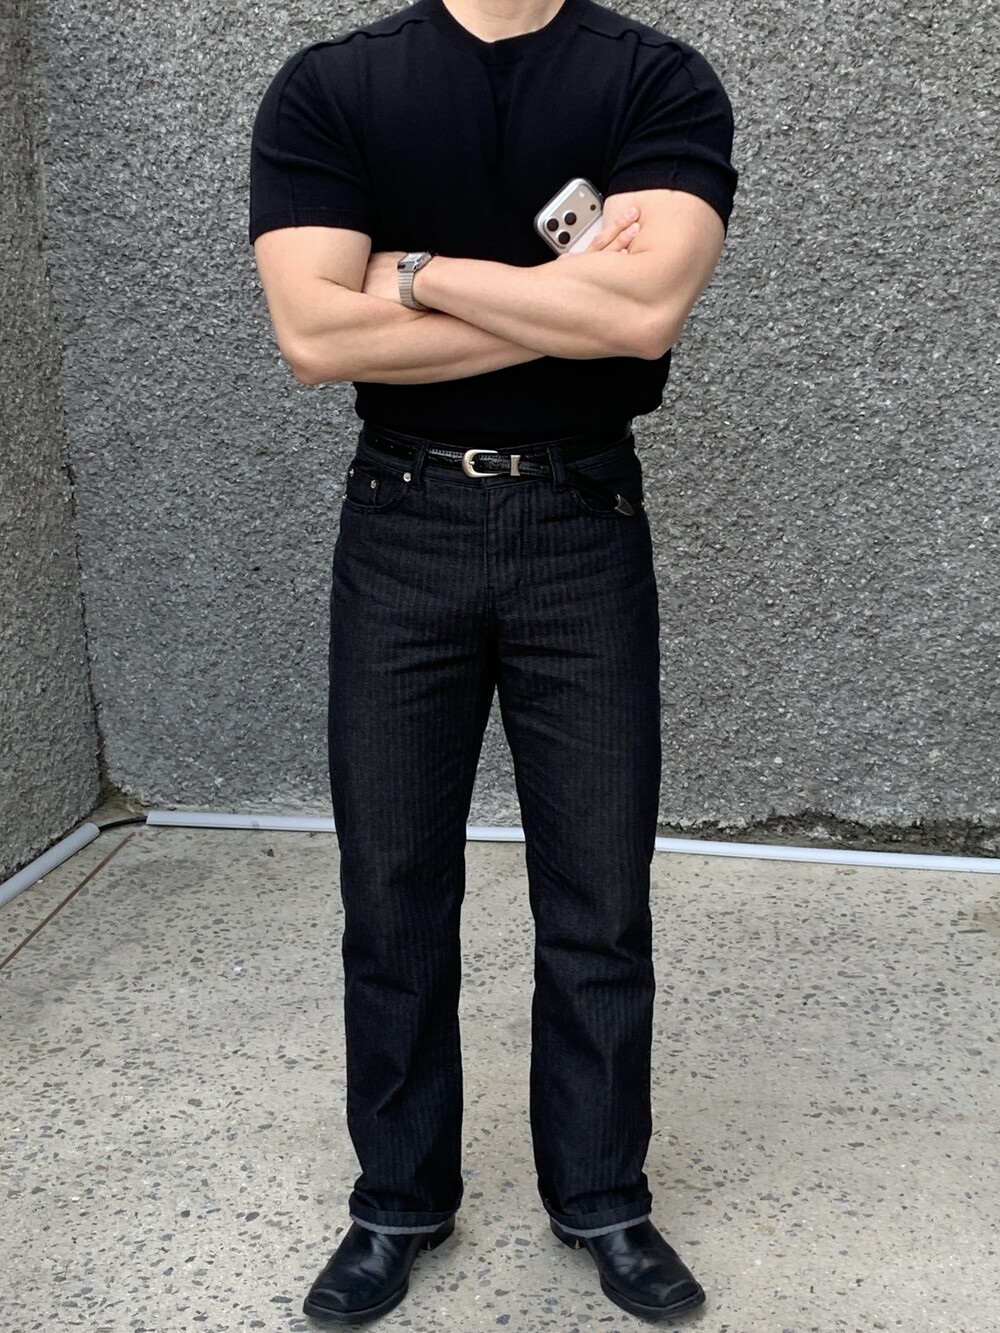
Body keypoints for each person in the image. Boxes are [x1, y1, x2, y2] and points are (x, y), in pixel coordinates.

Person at [250, 0, 736, 1323]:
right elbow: (314, 339)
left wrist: (412, 274)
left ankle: (604, 1195)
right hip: (402, 522)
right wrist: (570, 305)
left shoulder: (655, 83)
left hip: (585, 521)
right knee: (392, 889)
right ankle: (397, 1200)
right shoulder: (335, 88)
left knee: (600, 893)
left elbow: (646, 317)